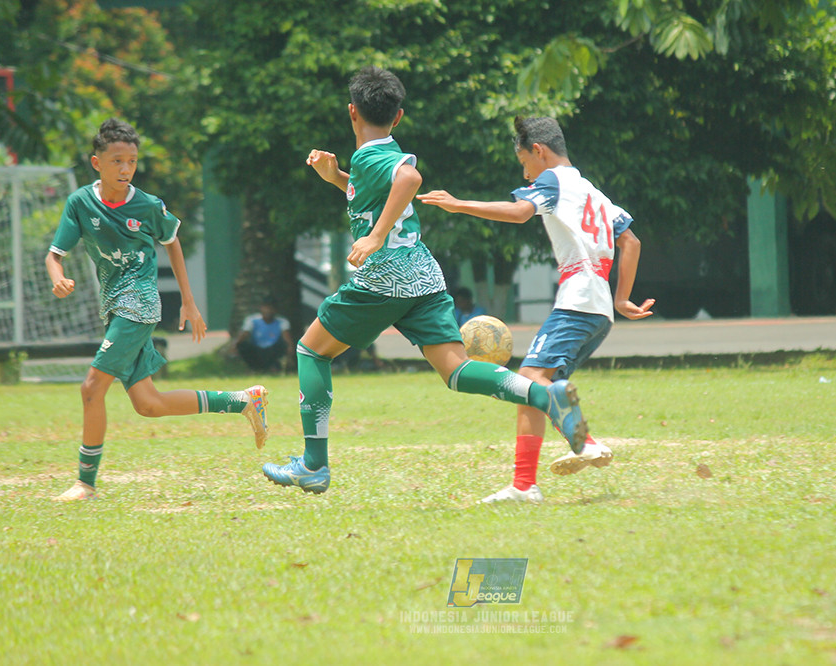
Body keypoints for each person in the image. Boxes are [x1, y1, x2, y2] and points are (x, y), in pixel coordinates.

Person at [260, 66, 587, 495]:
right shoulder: (370, 159)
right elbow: (377, 196)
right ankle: (545, 397)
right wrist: (336, 179)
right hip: (423, 276)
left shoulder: (371, 155)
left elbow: (409, 178)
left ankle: (313, 465)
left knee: (310, 351)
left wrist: (375, 238)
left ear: (351, 112)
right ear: (398, 117)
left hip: (384, 279)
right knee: (456, 371)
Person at [418, 116, 655, 503]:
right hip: (598, 310)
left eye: (524, 163)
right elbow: (630, 240)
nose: (526, 174)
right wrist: (621, 297)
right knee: (533, 384)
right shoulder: (591, 190)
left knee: (528, 379)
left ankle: (586, 442)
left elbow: (519, 213)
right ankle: (525, 485)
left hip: (576, 302)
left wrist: (458, 205)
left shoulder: (552, 181)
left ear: (538, 152)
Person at [45, 118, 269, 502]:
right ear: (96, 163)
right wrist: (58, 277)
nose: (125, 169)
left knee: (91, 388)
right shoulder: (80, 202)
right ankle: (245, 400)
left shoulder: (147, 205)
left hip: (139, 304)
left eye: (131, 161)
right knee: (149, 404)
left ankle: (85, 483)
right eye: (117, 160)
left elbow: (172, 242)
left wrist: (189, 300)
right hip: (114, 307)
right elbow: (54, 255)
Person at [230, 298, 294, 373]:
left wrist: (290, 348)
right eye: (266, 307)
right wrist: (235, 346)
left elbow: (286, 337)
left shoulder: (282, 322)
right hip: (257, 350)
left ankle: (273, 366)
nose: (268, 311)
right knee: (243, 345)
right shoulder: (252, 320)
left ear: (275, 310)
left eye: (271, 308)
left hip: (272, 350)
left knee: (283, 344)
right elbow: (244, 334)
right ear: (261, 308)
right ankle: (253, 367)